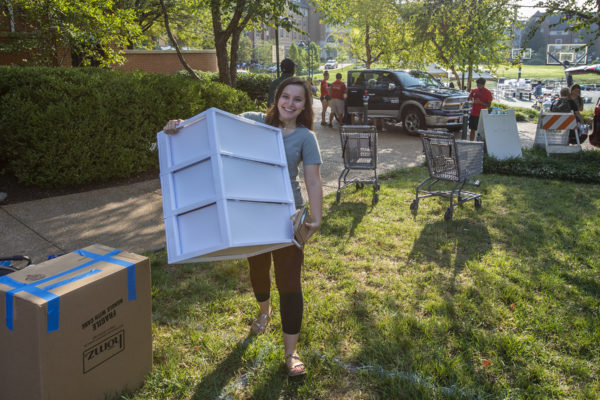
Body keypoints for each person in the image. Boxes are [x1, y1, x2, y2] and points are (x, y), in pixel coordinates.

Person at [163, 77, 323, 378]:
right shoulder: (253, 120)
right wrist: (183, 126)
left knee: (289, 282)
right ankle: (265, 311)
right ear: (277, 98)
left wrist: (316, 217)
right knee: (259, 272)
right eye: (285, 97)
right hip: (250, 212)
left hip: (287, 217)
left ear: (305, 105)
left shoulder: (305, 137)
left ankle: (291, 352)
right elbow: (214, 130)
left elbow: (313, 180)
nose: (290, 103)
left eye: (297, 99)